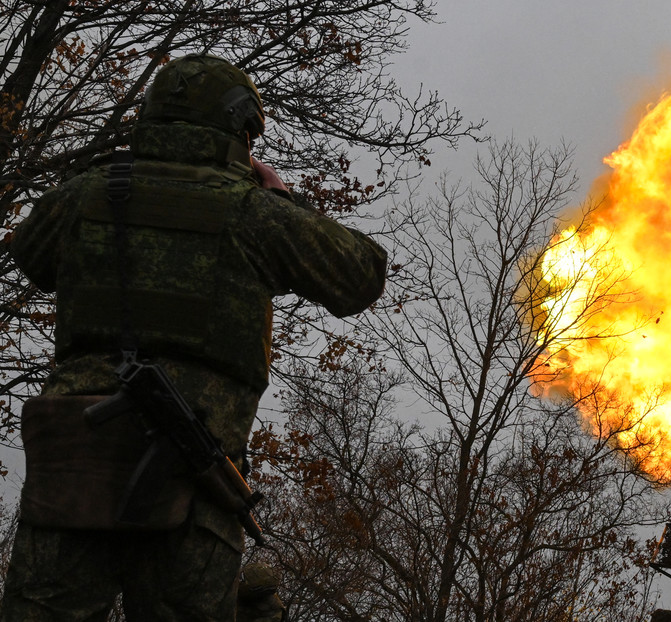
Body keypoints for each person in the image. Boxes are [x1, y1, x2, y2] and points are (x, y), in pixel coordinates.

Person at [0, 54, 387, 621]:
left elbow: (32, 257)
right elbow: (361, 275)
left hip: (72, 470)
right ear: (239, 130)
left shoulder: (85, 194)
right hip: (187, 484)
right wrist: (278, 197)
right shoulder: (253, 212)